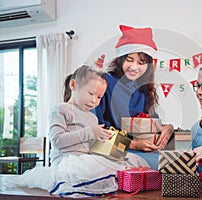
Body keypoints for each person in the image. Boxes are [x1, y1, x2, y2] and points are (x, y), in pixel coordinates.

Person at [4, 65, 148, 197]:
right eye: (91, 93)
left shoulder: (92, 117)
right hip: (66, 162)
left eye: (99, 97)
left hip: (86, 159)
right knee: (84, 169)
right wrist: (89, 132)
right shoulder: (60, 110)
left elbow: (91, 146)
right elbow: (57, 140)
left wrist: (106, 144)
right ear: (73, 85)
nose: (94, 101)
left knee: (130, 160)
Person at [94, 25, 174, 170]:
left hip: (136, 150)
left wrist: (167, 128)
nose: (134, 67)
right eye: (129, 60)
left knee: (171, 164)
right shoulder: (104, 83)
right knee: (161, 167)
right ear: (120, 60)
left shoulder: (144, 90)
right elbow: (96, 134)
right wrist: (134, 144)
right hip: (108, 150)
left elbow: (150, 124)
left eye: (141, 63)